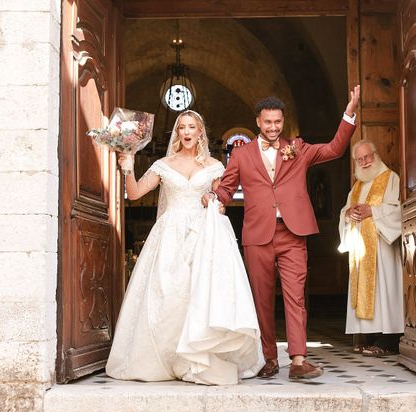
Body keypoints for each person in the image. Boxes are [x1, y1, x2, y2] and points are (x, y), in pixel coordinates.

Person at [202, 87, 360, 379]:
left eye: (277, 122)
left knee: (295, 296)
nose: (273, 127)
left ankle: (298, 361)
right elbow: (226, 187)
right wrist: (213, 198)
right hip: (257, 235)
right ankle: (268, 359)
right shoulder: (241, 154)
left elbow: (335, 149)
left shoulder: (298, 148)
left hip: (292, 233)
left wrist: (349, 113)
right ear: (258, 122)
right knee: (261, 299)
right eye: (268, 122)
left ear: (282, 121)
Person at [106, 110, 264, 385]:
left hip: (203, 235)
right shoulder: (163, 165)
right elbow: (134, 193)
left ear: (201, 132)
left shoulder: (214, 166)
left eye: (192, 127)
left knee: (198, 293)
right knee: (168, 294)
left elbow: (223, 200)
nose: (187, 132)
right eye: (182, 127)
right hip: (169, 235)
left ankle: (196, 355)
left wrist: (214, 200)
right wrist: (128, 166)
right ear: (177, 133)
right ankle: (166, 357)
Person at [338, 140, 403, 357]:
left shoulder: (390, 178)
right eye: (360, 159)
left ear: (376, 155)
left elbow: (398, 210)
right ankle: (367, 336)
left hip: (382, 248)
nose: (364, 162)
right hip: (361, 248)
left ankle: (388, 339)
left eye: (368, 157)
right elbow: (345, 211)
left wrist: (372, 212)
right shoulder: (357, 186)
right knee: (366, 292)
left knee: (384, 291)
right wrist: (348, 215)